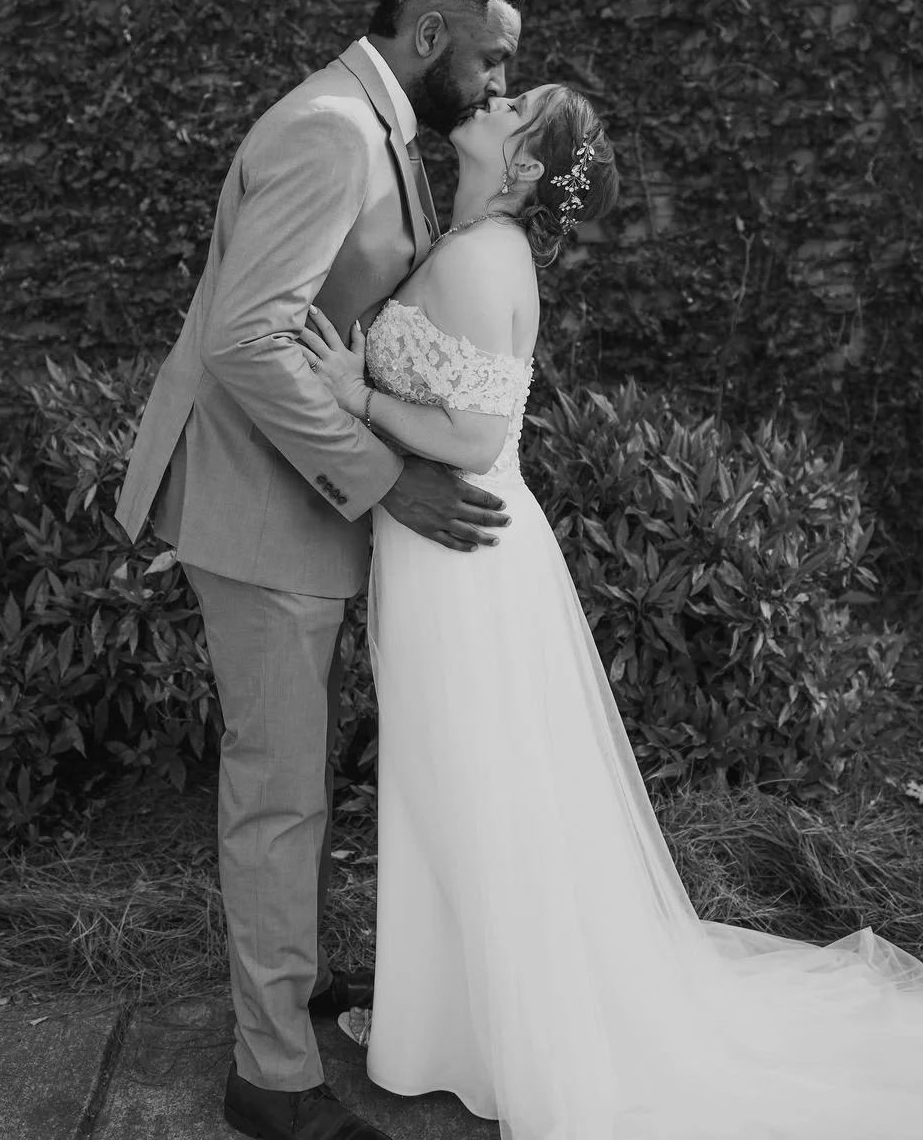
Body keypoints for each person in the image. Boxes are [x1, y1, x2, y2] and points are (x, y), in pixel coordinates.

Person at [300, 83, 923, 1140]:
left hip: (463, 566)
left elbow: (471, 435)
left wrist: (354, 394)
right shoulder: (477, 246)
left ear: (526, 167)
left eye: (514, 105)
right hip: (454, 555)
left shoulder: (476, 258)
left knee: (474, 787)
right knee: (455, 785)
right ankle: (453, 1022)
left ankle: (512, 1034)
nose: (493, 97)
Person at [114, 0, 525, 1140]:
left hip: (300, 504)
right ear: (433, 36)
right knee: (279, 795)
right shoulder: (333, 132)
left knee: (299, 780)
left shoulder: (377, 124)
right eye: (493, 61)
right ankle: (272, 1078)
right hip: (259, 510)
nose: (499, 86)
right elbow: (247, 338)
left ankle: (288, 985)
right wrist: (384, 477)